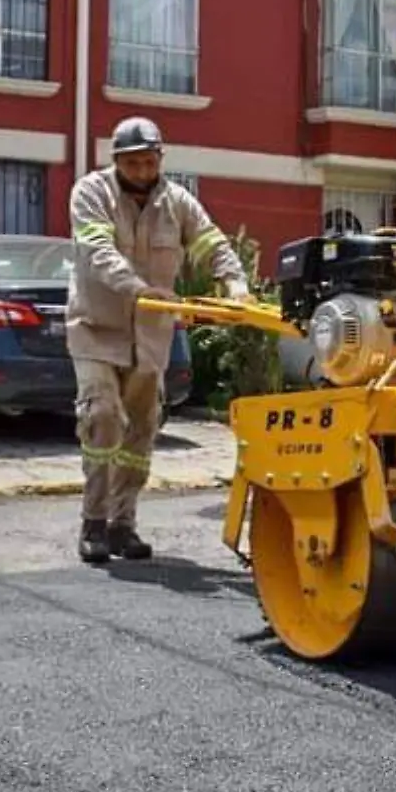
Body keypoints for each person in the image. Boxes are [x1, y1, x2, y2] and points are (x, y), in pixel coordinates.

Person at [67, 116, 251, 563]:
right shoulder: (91, 193)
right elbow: (97, 253)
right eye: (134, 164)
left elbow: (211, 243)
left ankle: (122, 524)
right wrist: (137, 288)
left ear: (160, 158)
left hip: (151, 336)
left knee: (141, 431)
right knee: (103, 417)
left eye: (150, 162)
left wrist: (235, 284)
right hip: (96, 329)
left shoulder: (178, 202)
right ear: (117, 161)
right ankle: (93, 521)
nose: (144, 171)